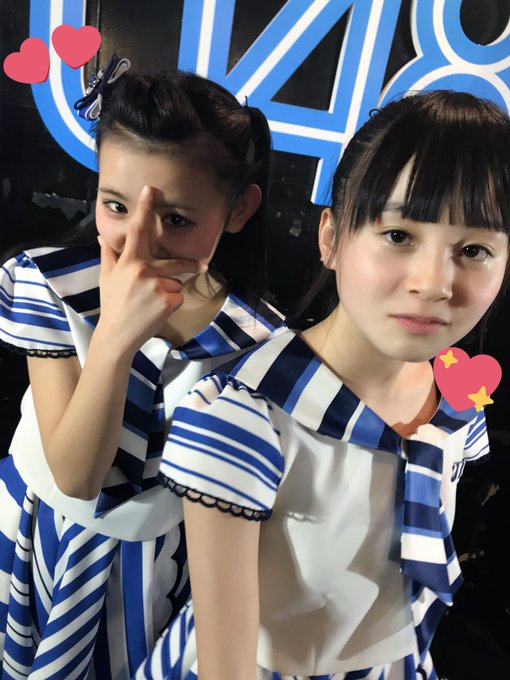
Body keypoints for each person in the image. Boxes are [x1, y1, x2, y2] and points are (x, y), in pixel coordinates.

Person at [135, 90, 510, 680]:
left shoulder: (456, 393)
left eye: (475, 249)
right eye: (398, 235)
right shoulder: (243, 417)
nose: (435, 283)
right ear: (331, 238)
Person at [0, 57, 285, 679]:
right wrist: (114, 339)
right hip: (38, 533)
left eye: (176, 219)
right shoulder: (49, 283)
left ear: (238, 210)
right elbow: (77, 477)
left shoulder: (259, 340)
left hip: (159, 564)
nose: (138, 242)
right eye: (116, 205)